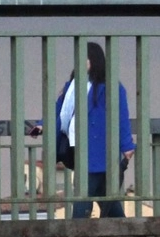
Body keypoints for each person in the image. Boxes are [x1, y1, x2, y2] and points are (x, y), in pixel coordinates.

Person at [55, 41, 135, 218]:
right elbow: (58, 111)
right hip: (85, 149)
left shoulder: (112, 88)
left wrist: (127, 145)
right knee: (105, 196)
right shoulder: (72, 87)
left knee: (85, 193)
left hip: (100, 148)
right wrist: (40, 125)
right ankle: (121, 228)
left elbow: (121, 116)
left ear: (93, 60)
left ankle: (77, 233)